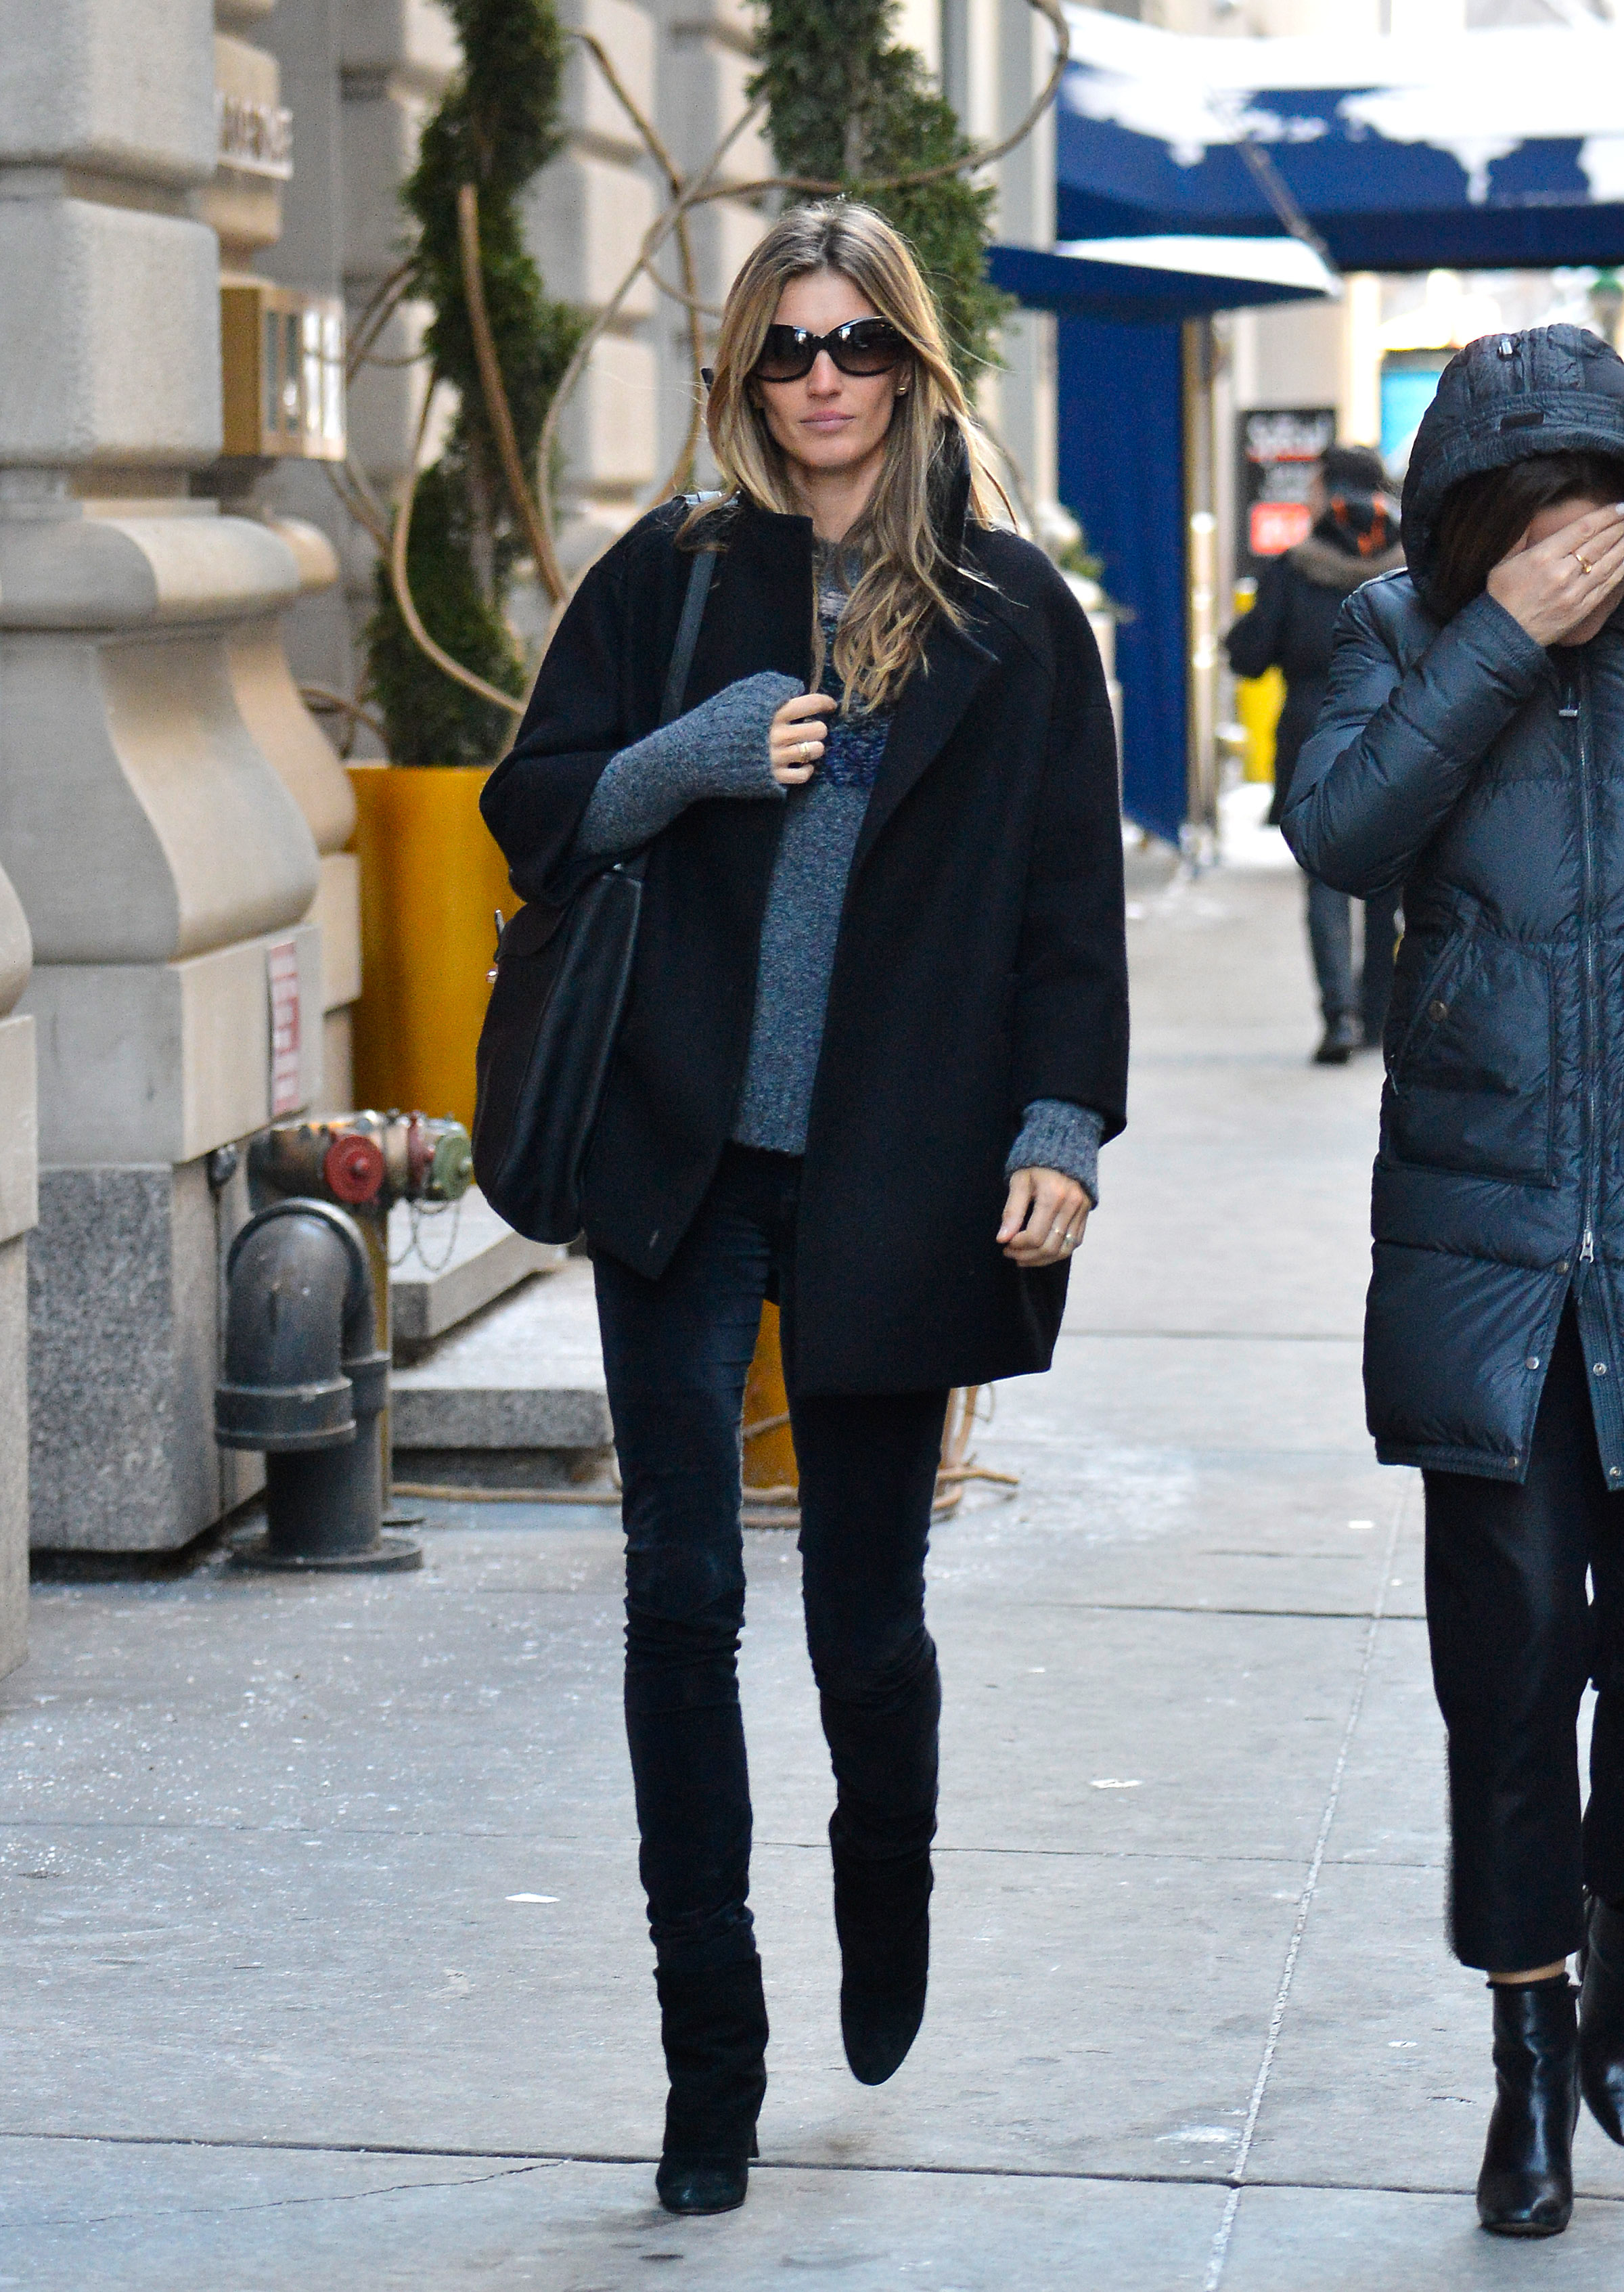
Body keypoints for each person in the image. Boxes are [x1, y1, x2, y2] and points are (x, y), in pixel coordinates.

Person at [481, 203, 1129, 2217]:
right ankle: (710, 2053)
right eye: (785, 350)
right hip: (677, 1159)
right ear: (742, 377)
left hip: (905, 1166)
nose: (822, 380)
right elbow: (532, 804)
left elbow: (1061, 913)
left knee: (864, 1610)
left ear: (915, 368)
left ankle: (885, 1875)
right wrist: (687, 759)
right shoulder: (674, 578)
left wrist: (1061, 1124)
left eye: (855, 344)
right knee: (679, 1595)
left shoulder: (1014, 617)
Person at [1283, 324, 1624, 2239]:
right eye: (1538, 499)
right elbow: (1335, 832)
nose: (1582, 530)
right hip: (1487, 1254)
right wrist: (1500, 630)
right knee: (1506, 1688)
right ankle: (1525, 2050)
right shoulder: (1400, 635)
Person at [1225, 444, 1406, 1065]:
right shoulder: (1416, 568)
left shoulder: (1297, 567)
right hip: (1401, 738)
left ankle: (1340, 1015)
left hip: (1316, 739)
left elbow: (1248, 655)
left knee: (1326, 881)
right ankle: (1379, 1014)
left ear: (1330, 492)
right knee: (1389, 886)